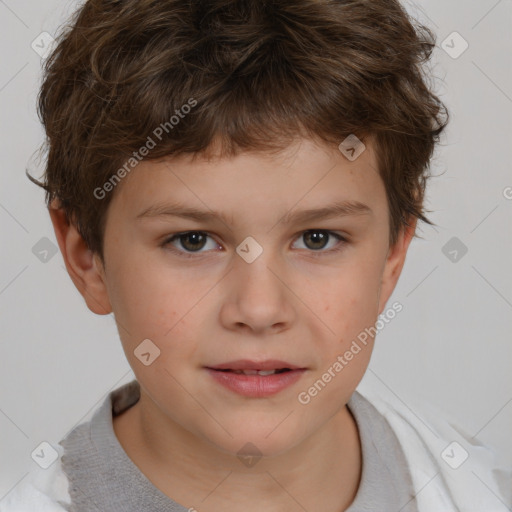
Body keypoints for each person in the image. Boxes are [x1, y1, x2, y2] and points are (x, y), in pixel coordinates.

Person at [2, 0, 510, 510]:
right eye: (193, 241)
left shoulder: (480, 489)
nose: (261, 309)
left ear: (393, 252)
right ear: (86, 256)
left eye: (318, 238)